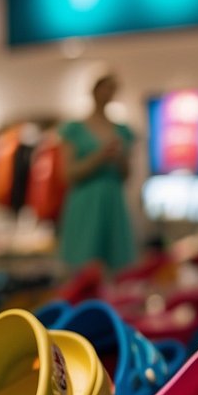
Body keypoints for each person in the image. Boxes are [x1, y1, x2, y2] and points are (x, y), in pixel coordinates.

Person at [58, 74, 135, 271]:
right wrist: (98, 158)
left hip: (113, 200)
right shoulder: (74, 129)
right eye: (105, 88)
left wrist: (119, 158)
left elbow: (127, 175)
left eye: (112, 89)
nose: (108, 94)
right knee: (83, 264)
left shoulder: (122, 130)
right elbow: (67, 173)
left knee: (117, 266)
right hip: (86, 201)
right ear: (94, 91)